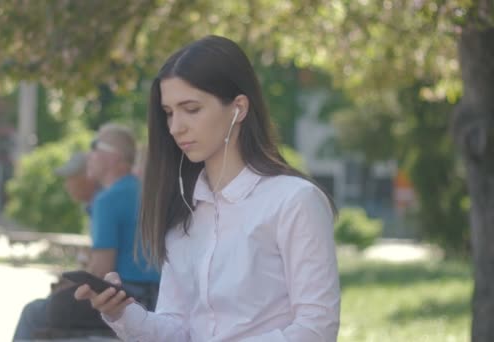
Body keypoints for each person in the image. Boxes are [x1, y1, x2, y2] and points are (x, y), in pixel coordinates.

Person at [75, 35, 341, 341]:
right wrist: (120, 313)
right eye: (169, 112)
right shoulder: (184, 213)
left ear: (238, 108)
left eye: (191, 109)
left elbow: (316, 328)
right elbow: (178, 328)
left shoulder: (294, 201)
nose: (176, 128)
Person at [13, 125, 160, 341]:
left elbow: (102, 270)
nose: (89, 155)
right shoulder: (145, 192)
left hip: (128, 299)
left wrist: (70, 284)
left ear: (113, 157)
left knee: (33, 312)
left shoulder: (108, 199)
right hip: (156, 296)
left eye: (95, 147)